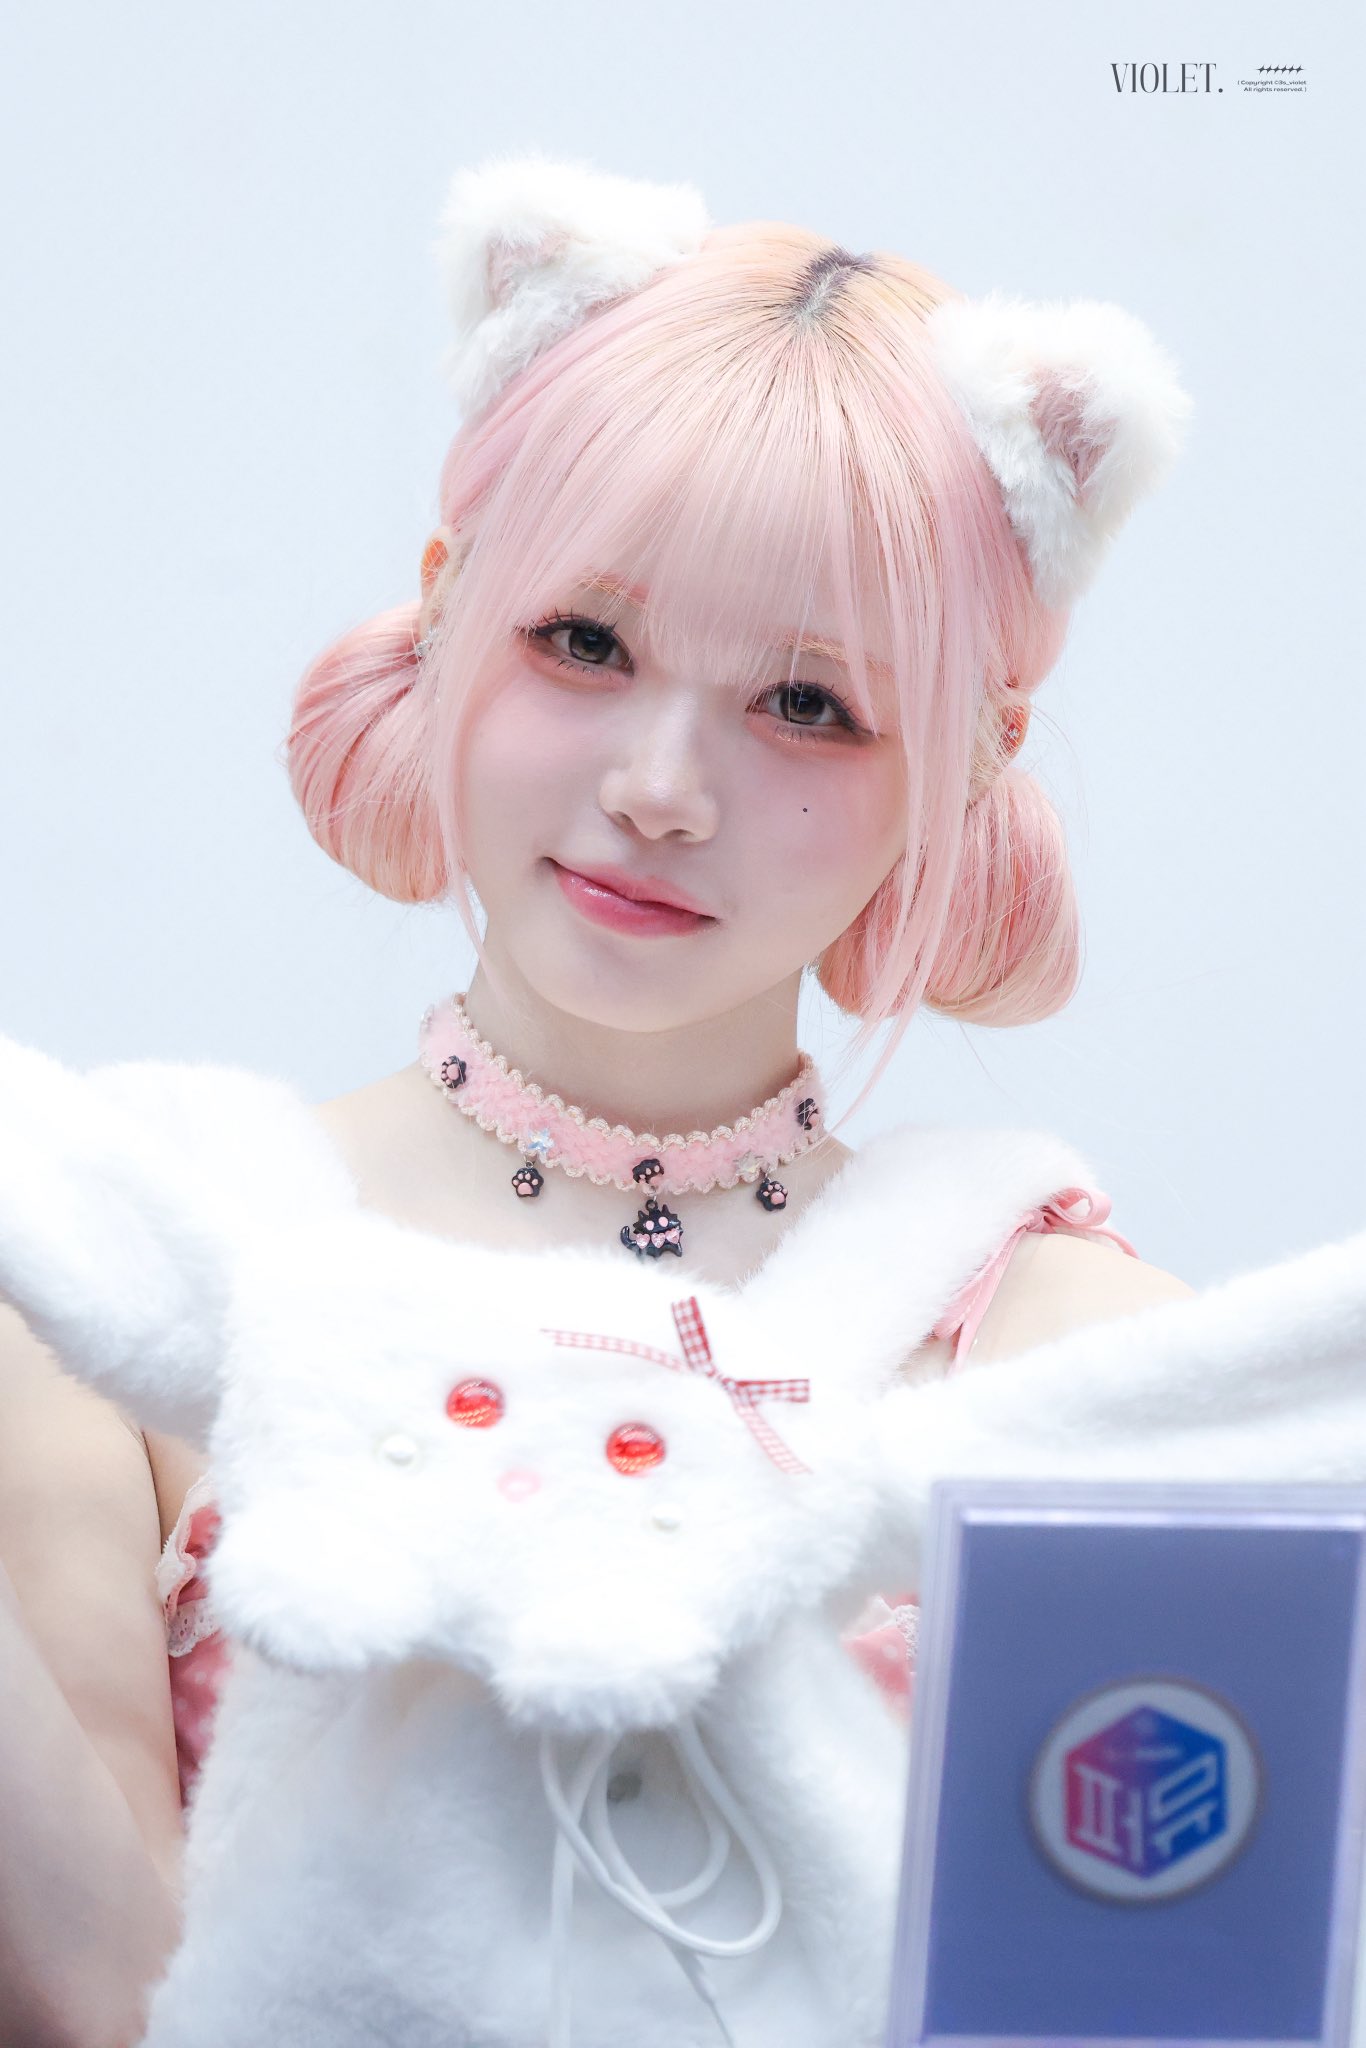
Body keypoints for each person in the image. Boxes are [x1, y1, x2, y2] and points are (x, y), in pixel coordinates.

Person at [0, 152, 1195, 2046]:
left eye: (808, 703)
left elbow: (1152, 1980)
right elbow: (94, 1998)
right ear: (445, 609)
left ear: (972, 760)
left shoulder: (1066, 1353)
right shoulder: (122, 1263)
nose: (659, 787)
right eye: (585, 641)